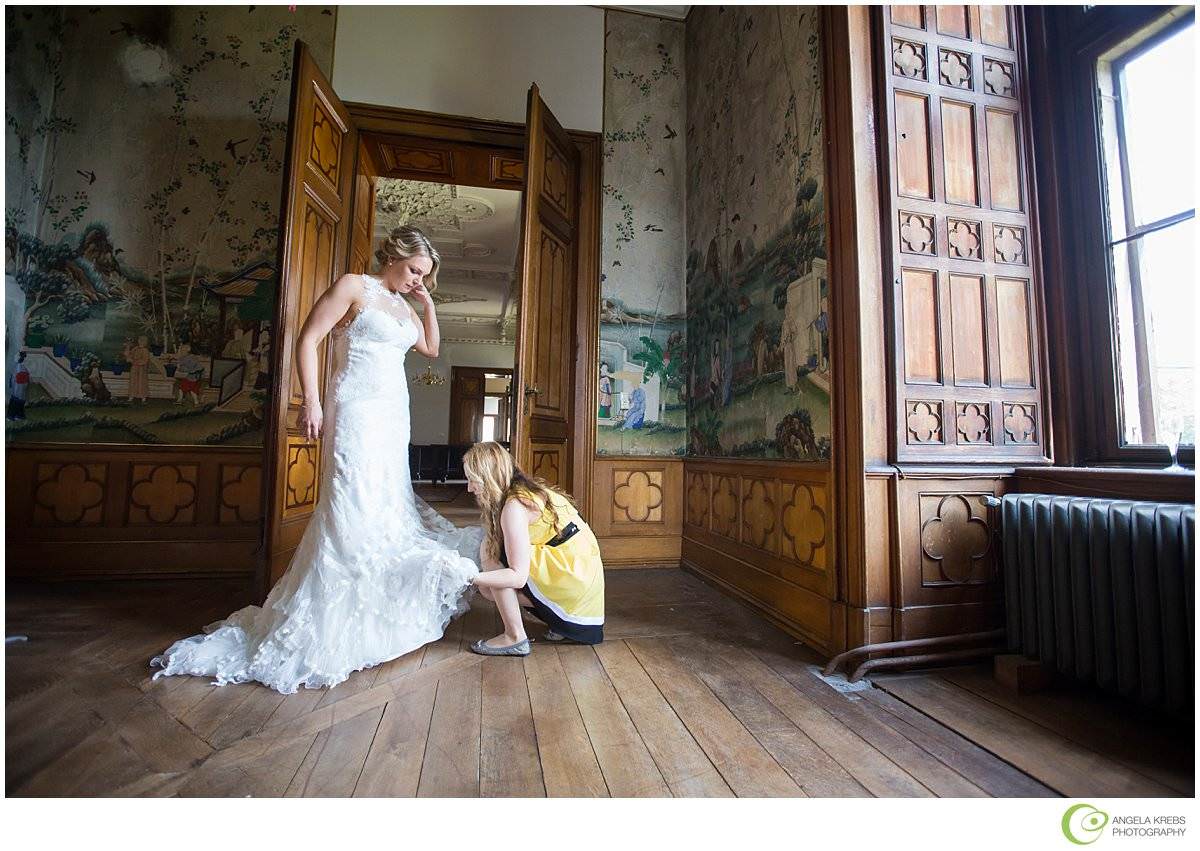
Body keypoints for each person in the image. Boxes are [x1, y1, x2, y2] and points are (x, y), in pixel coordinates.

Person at [150, 225, 483, 694]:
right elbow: (308, 339)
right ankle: (330, 613)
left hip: (392, 412)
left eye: (424, 276)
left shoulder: (409, 306)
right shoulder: (354, 285)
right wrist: (312, 401)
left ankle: (377, 608)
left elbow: (429, 350)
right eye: (413, 271)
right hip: (354, 407)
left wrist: (427, 305)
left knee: (384, 502)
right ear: (394, 256)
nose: (416, 281)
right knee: (350, 499)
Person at [463, 442, 604, 655]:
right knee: (489, 578)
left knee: (491, 551)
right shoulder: (527, 490)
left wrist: (466, 577)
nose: (469, 488)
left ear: (490, 477)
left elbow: (517, 577)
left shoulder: (514, 507)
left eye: (473, 480)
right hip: (583, 593)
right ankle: (558, 621)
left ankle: (514, 637)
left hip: (575, 588)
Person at [8, 351, 29, 420]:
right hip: (21, 390)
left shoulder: (18, 367)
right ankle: (19, 416)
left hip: (17, 390)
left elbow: (15, 380)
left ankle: (12, 416)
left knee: (15, 402)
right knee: (20, 402)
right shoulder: (22, 367)